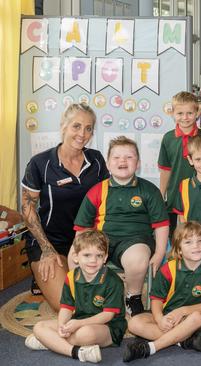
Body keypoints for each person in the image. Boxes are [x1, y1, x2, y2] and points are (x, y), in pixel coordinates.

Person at [21, 103, 109, 310]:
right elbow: (27, 209)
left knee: (103, 303)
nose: (82, 134)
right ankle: (43, 275)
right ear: (63, 126)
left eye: (88, 128)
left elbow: (107, 199)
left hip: (87, 242)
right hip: (50, 243)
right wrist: (47, 250)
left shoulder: (96, 160)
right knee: (68, 307)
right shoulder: (40, 163)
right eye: (76, 126)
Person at [74, 136, 170, 316]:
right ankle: (89, 296)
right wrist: (78, 250)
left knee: (138, 259)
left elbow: (162, 225)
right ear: (108, 164)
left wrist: (159, 253)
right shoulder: (97, 190)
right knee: (73, 256)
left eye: (129, 157)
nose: (122, 161)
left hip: (135, 241)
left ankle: (132, 296)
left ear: (138, 163)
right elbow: (82, 227)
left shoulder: (149, 190)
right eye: (116, 157)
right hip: (101, 240)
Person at [123, 221, 201, 362]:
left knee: (198, 317)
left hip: (190, 319)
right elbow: (156, 299)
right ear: (179, 249)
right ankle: (183, 340)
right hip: (166, 315)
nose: (196, 246)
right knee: (133, 323)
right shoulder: (168, 269)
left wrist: (181, 311)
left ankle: (151, 347)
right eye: (188, 242)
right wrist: (159, 319)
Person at [25, 230, 126, 363]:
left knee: (86, 333)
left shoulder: (113, 281)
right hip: (78, 322)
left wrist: (78, 324)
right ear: (76, 257)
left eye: (99, 255)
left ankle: (50, 343)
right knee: (39, 327)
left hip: (107, 327)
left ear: (105, 257)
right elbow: (66, 307)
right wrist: (62, 325)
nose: (93, 260)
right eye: (87, 255)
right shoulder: (71, 277)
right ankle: (77, 352)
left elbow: (107, 316)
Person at [158, 92, 201, 235]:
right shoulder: (168, 138)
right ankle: (174, 257)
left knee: (196, 231)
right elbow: (165, 169)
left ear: (197, 113)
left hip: (199, 193)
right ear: (172, 113)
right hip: (174, 194)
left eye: (189, 113)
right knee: (174, 235)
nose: (185, 117)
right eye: (180, 113)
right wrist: (161, 195)